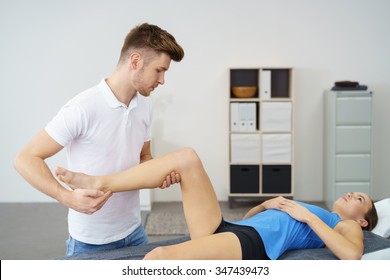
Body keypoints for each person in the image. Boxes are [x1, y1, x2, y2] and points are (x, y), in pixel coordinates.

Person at [13, 23, 184, 255]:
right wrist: (67, 198)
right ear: (135, 62)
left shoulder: (145, 104)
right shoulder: (83, 107)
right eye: (159, 70)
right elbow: (25, 159)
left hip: (134, 231)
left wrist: (159, 172)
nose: (162, 80)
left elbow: (144, 157)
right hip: (89, 242)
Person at [54, 147, 379, 260]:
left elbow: (351, 254)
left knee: (161, 256)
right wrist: (267, 204)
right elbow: (250, 216)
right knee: (186, 159)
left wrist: (306, 215)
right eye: (354, 192)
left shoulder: (345, 225)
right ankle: (101, 182)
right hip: (233, 228)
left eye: (359, 199)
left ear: (363, 220)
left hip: (251, 246)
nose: (352, 195)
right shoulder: (321, 215)